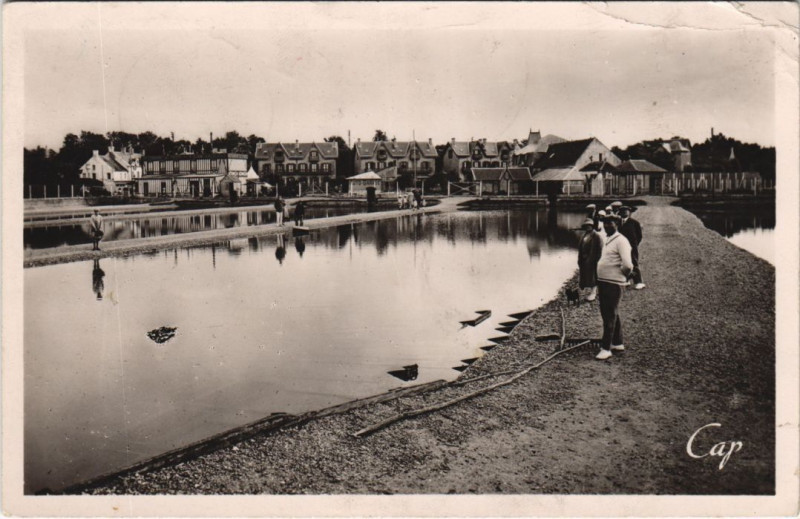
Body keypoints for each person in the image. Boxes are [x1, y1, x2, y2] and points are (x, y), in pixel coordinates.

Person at [595, 213, 633, 360]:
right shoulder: (608, 239)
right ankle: (617, 343)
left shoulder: (622, 241)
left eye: (610, 223)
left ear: (617, 224)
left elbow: (628, 265)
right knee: (610, 312)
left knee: (609, 315)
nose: (606, 226)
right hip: (604, 281)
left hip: (614, 282)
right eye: (605, 223)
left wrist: (622, 276)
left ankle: (606, 348)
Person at [618, 205, 645, 289]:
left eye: (626, 211)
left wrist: (634, 245)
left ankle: (639, 282)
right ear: (620, 213)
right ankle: (626, 280)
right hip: (621, 247)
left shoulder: (634, 222)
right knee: (622, 263)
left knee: (634, 263)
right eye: (622, 211)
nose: (624, 212)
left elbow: (639, 236)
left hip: (632, 247)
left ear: (629, 212)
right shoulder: (617, 223)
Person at [578, 218, 603, 302]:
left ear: (592, 226)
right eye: (586, 226)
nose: (588, 227)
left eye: (589, 226)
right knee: (586, 275)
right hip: (585, 259)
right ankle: (589, 291)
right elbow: (581, 248)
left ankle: (593, 293)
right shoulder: (584, 235)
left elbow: (600, 249)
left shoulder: (596, 236)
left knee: (593, 276)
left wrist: (597, 260)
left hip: (593, 259)